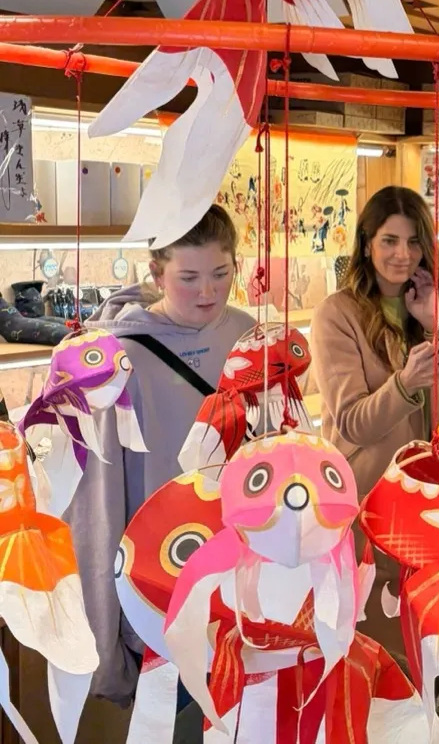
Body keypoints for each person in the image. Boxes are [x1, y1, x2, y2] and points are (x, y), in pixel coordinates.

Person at [66, 205, 255, 708]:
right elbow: (99, 500)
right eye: (188, 277)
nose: (208, 292)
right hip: (157, 572)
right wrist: (104, 639)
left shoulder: (248, 334)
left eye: (221, 273)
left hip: (242, 574)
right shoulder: (118, 356)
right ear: (156, 274)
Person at [306, 185, 439, 660]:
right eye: (389, 241)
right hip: (366, 514)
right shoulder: (337, 314)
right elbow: (352, 423)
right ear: (366, 244)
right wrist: (404, 383)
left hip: (431, 508)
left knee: (427, 656)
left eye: (414, 242)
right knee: (374, 657)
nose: (403, 254)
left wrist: (436, 325)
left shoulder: (427, 309)